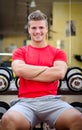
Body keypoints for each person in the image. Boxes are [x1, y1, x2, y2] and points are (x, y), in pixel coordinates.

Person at [0, 10, 82, 130]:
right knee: (7, 120)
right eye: (33, 28)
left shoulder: (58, 53)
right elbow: (20, 71)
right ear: (29, 29)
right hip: (25, 103)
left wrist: (29, 72)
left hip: (52, 102)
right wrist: (48, 70)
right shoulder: (20, 52)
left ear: (46, 29)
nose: (37, 31)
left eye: (41, 27)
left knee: (78, 120)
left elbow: (59, 73)